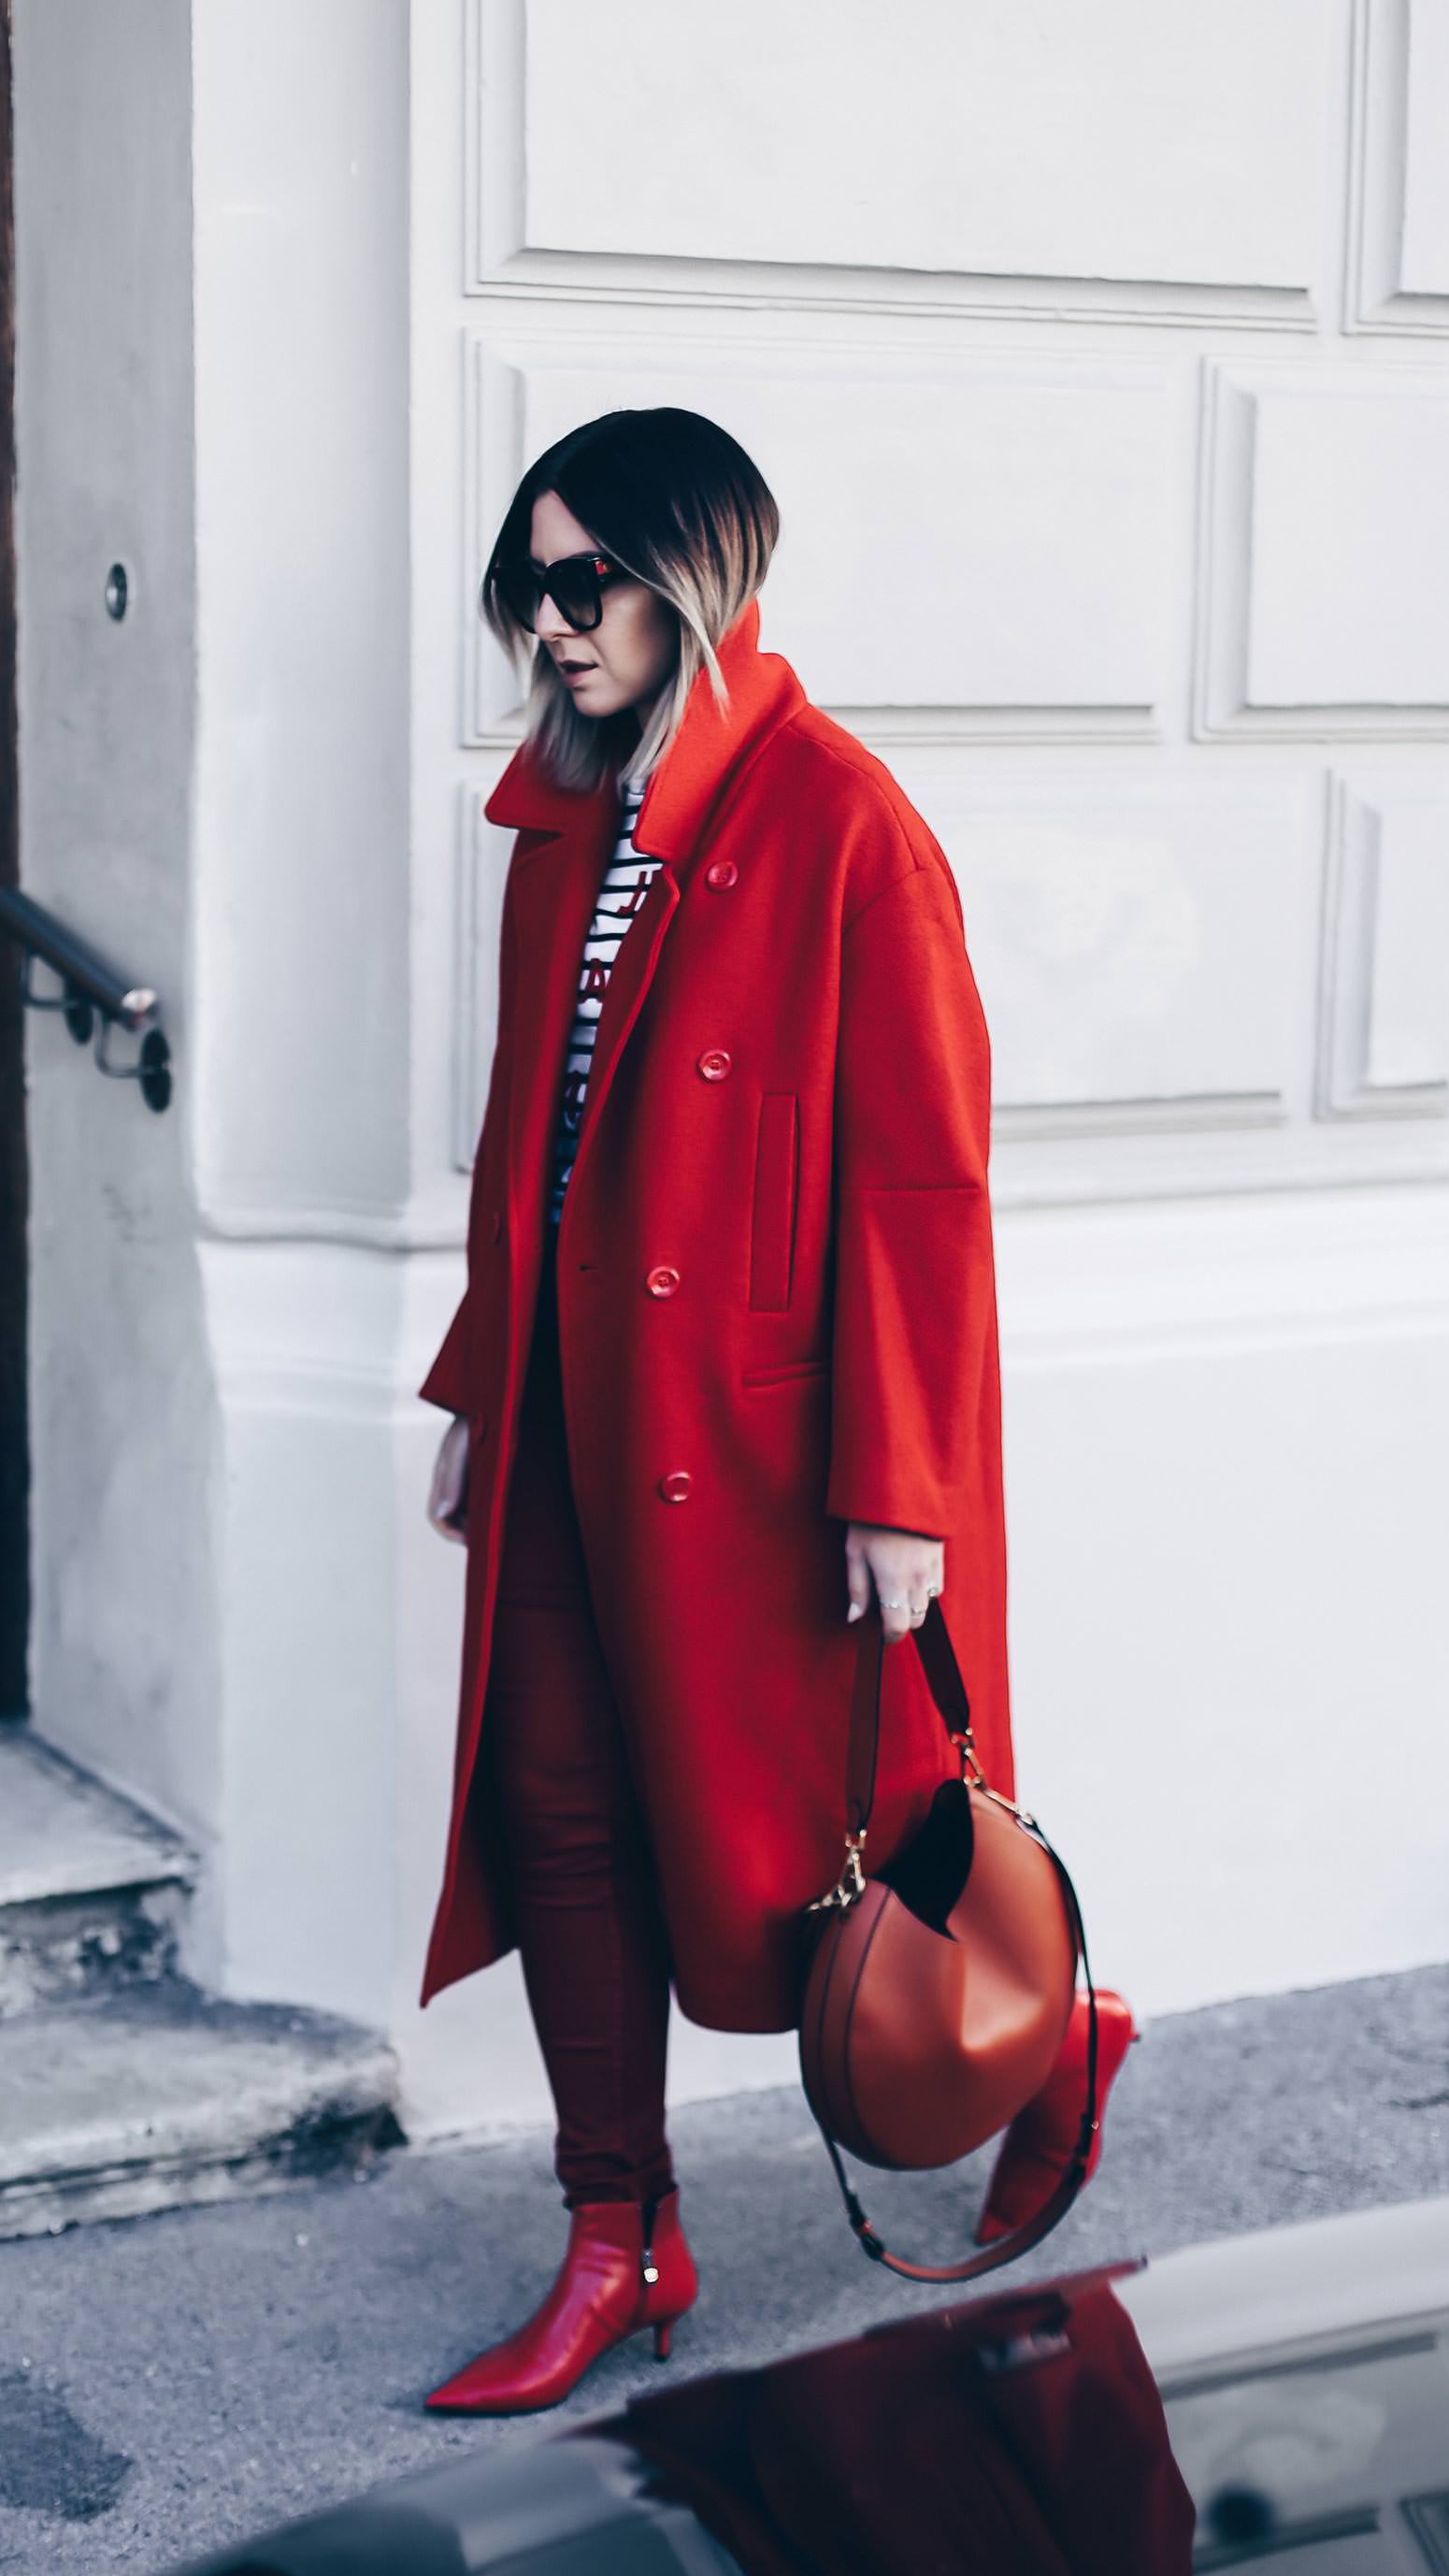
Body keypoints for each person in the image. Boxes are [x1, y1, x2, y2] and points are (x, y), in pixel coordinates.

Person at [416, 408, 1134, 2415]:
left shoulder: (841, 820)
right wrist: (485, 1377)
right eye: (523, 592)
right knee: (555, 1808)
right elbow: (526, 1147)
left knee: (852, 1841)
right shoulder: (562, 827)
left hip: (763, 1455)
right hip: (578, 1423)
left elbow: (925, 1183)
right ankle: (617, 2237)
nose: (550, 630)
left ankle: (1045, 2031)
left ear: (697, 576)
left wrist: (898, 1480)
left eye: (586, 585)